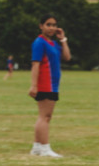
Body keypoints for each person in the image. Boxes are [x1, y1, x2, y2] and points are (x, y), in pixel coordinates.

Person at [28, 14, 71, 157]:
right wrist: (34, 85)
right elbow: (35, 64)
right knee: (44, 116)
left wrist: (63, 40)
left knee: (45, 116)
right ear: (41, 26)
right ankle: (45, 148)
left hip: (53, 84)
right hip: (45, 83)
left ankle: (37, 147)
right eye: (48, 24)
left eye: (54, 25)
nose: (52, 27)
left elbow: (67, 57)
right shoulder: (39, 42)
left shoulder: (53, 44)